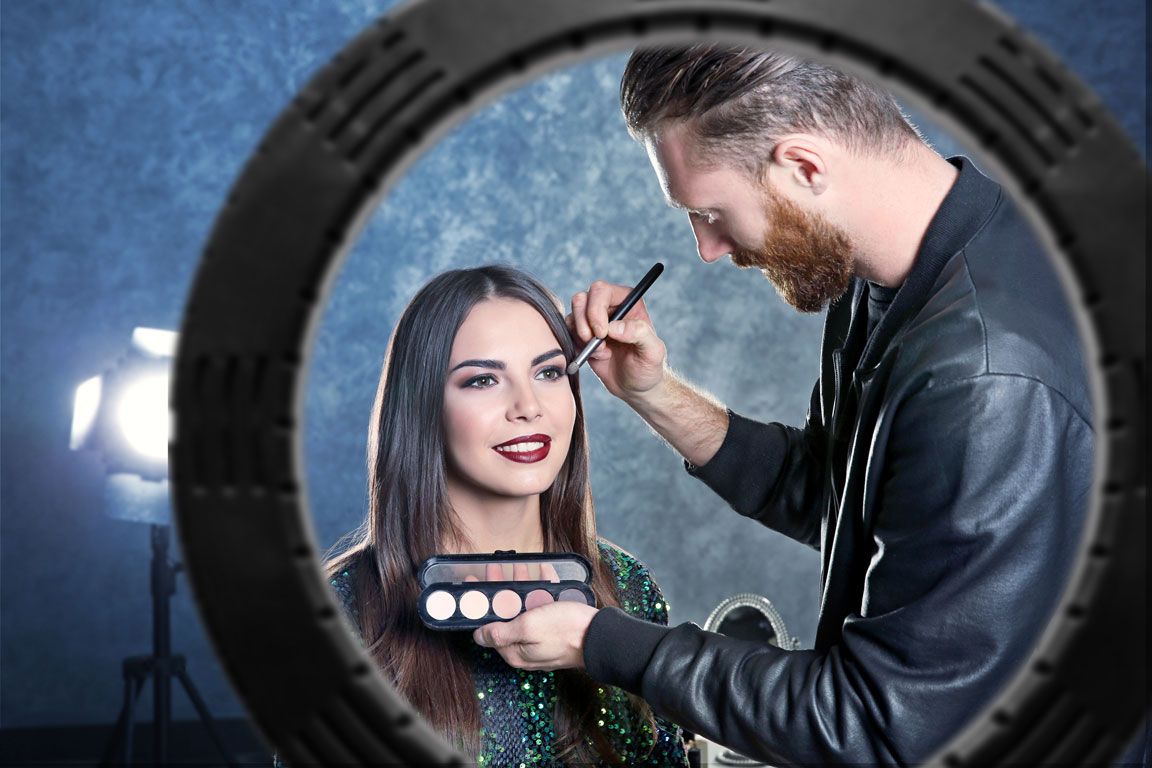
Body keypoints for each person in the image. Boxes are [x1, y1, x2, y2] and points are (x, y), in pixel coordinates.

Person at [473, 45, 1094, 766]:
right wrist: (655, 393)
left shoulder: (986, 381)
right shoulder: (887, 276)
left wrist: (598, 640)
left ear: (803, 167)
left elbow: (876, 723)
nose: (706, 248)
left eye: (709, 211)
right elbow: (840, 497)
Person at [313, 265, 688, 767]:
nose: (528, 406)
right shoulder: (338, 614)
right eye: (484, 379)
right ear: (422, 406)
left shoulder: (629, 587)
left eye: (549, 372)